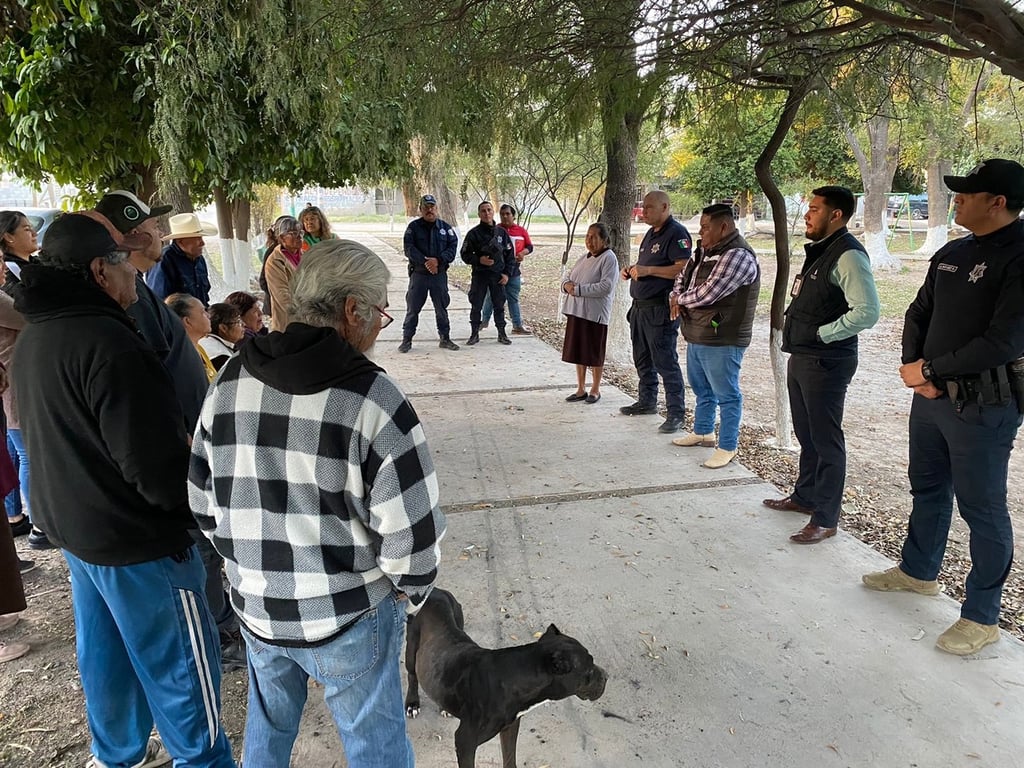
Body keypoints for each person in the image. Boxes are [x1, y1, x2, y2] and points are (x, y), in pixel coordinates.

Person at [189, 240, 446, 768]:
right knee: (375, 745)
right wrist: (409, 594)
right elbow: (412, 540)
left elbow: (202, 501)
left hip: (258, 609)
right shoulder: (375, 400)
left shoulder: (230, 381)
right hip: (348, 617)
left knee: (267, 730)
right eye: (380, 313)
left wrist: (252, 567)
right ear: (352, 310)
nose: (380, 327)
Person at [11, 213, 236, 768]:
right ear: (98, 272)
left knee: (106, 654)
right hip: (139, 542)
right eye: (123, 264)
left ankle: (119, 755)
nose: (135, 274)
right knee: (182, 670)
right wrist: (195, 493)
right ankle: (202, 761)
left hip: (79, 532)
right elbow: (156, 473)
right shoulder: (113, 344)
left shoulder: (38, 333)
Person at [863, 159, 1024, 655]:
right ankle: (919, 571)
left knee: (982, 508)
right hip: (931, 400)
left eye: (967, 194)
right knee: (928, 487)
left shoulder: (1019, 256)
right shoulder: (954, 251)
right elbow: (918, 311)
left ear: (997, 202)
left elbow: (1003, 341)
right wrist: (915, 369)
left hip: (984, 406)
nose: (957, 200)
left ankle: (982, 616)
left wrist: (932, 371)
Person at [763, 186, 880, 544]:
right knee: (807, 434)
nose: (807, 214)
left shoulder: (848, 255)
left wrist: (823, 334)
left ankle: (826, 518)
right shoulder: (823, 250)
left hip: (826, 361)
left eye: (815, 209)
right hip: (804, 356)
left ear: (836, 215)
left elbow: (867, 311)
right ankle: (805, 496)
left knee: (826, 441)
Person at [95, 191, 208, 432]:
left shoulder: (137, 286)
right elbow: (149, 371)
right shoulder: (129, 295)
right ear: (137, 235)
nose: (160, 234)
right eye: (155, 227)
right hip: (175, 430)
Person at [670, 204, 760, 469]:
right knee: (702, 388)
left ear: (724, 227)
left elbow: (710, 292)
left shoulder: (738, 255)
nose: (700, 232)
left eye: (705, 227)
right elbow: (681, 278)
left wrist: (679, 300)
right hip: (698, 331)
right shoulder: (702, 251)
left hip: (723, 335)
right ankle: (703, 431)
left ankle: (728, 446)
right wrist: (675, 295)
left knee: (727, 394)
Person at [619, 190, 692, 433]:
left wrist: (648, 271)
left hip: (659, 309)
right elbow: (648, 265)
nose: (644, 211)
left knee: (665, 361)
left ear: (665, 207)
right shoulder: (651, 233)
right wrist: (633, 270)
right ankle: (647, 400)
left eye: (650, 207)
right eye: (643, 206)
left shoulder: (677, 233)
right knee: (642, 358)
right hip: (639, 308)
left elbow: (683, 269)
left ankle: (676, 413)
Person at [0, 211, 50, 551]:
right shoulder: (3, 297)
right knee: (27, 453)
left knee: (20, 452)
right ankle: (39, 526)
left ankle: (20, 516)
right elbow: (32, 317)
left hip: (15, 378)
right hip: (16, 382)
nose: (2, 268)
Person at [561, 222, 619, 404]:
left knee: (594, 352)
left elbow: (606, 286)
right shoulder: (583, 258)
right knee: (579, 351)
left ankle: (595, 389)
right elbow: (568, 277)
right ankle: (580, 389)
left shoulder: (609, 258)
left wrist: (578, 290)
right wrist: (566, 285)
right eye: (587, 236)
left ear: (604, 240)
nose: (589, 240)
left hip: (595, 314)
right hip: (576, 311)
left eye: (594, 237)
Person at [398, 194, 460, 353]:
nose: (429, 210)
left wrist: (438, 260)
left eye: (432, 207)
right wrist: (426, 261)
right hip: (419, 275)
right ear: (421, 209)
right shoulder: (413, 228)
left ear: (437, 208)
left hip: (438, 276)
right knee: (413, 309)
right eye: (426, 207)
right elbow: (409, 249)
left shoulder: (446, 228)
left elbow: (452, 248)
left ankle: (445, 338)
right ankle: (406, 340)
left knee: (441, 308)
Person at [461, 200, 515, 346]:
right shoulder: (473, 234)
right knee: (476, 304)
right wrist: (479, 260)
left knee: (499, 305)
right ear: (479, 214)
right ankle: (474, 334)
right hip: (480, 275)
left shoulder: (501, 233)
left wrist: (507, 274)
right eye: (483, 211)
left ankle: (502, 333)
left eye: (489, 210)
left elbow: (510, 255)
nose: (487, 213)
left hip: (497, 275)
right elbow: (465, 254)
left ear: (493, 212)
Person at [482, 204, 533, 334]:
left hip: (514, 270)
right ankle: (483, 321)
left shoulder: (521, 231)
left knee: (513, 298)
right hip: (496, 271)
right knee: (491, 297)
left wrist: (523, 253)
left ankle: (517, 325)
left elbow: (529, 246)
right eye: (502, 214)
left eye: (508, 214)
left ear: (513, 216)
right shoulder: (496, 230)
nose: (505, 216)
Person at [147, 212, 217, 305]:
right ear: (180, 241)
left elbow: (204, 295)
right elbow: (160, 301)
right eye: (197, 238)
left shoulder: (199, 259)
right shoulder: (164, 260)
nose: (202, 243)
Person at [263, 215, 304, 332]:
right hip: (288, 322)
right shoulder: (275, 261)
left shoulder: (305, 255)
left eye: (301, 233)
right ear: (282, 237)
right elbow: (282, 296)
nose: (299, 237)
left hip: (306, 318)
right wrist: (305, 313)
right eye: (294, 233)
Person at [166, 293, 216, 382]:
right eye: (203, 312)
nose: (208, 315)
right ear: (187, 321)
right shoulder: (180, 358)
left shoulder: (199, 349)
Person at [200, 303, 244, 371]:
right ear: (223, 328)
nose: (244, 324)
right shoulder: (221, 357)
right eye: (238, 322)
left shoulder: (203, 341)